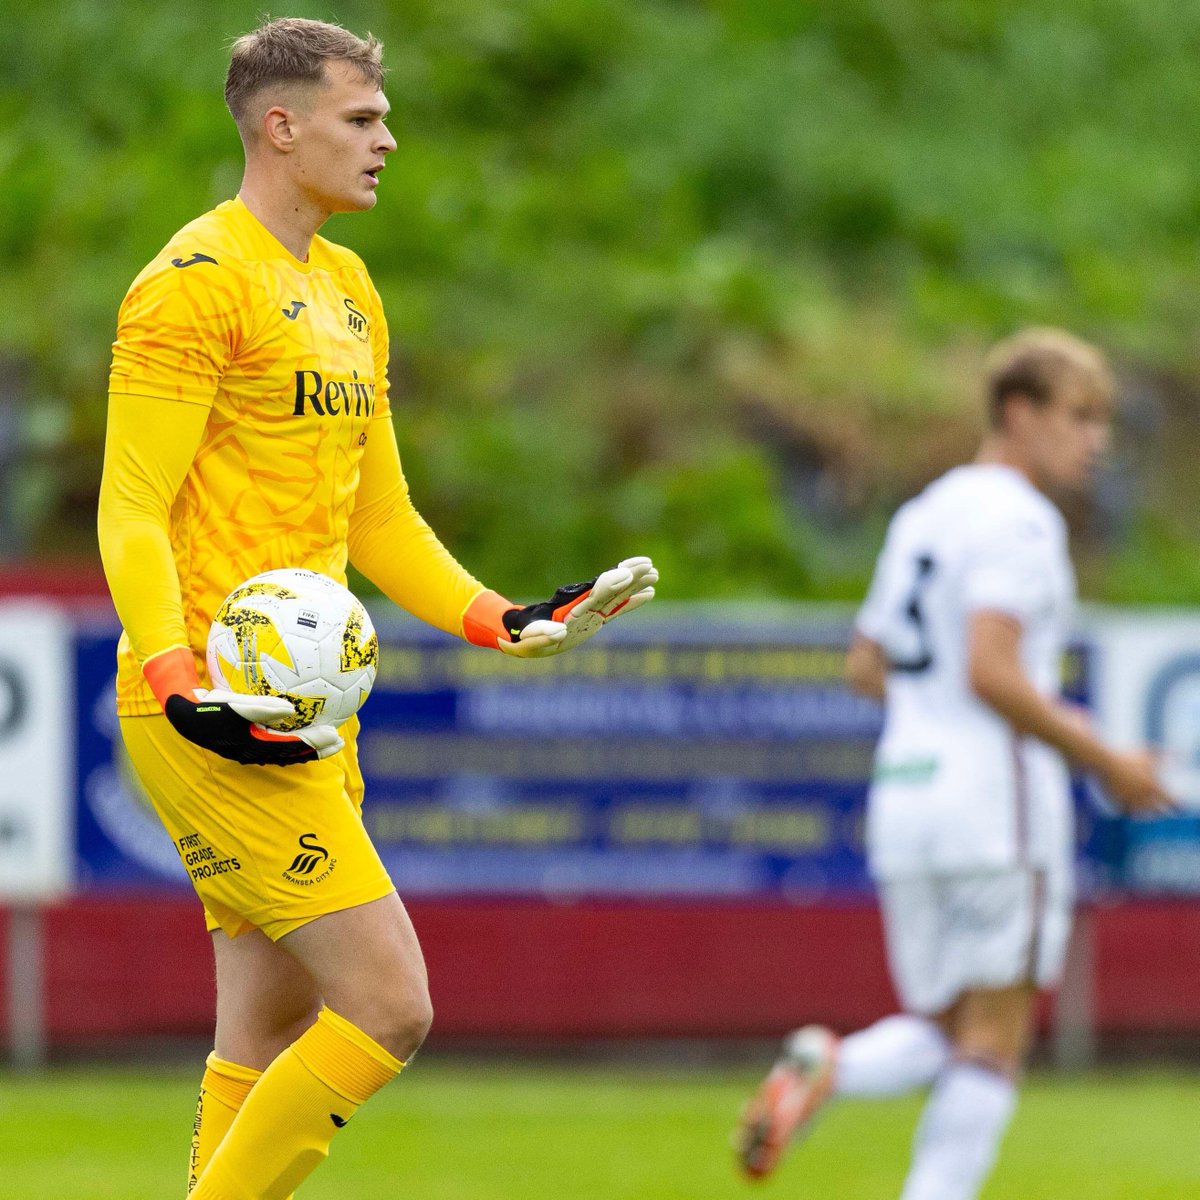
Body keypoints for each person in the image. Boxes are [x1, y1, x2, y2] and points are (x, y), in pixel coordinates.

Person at [97, 17, 657, 1199]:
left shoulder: (348, 286)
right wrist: (174, 676)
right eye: (363, 119)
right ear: (282, 126)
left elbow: (380, 521)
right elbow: (132, 508)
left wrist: (502, 618)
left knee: (261, 1028)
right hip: (212, 707)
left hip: (306, 711)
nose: (388, 140)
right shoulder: (190, 285)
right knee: (391, 1005)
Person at [734, 329, 1171, 1199]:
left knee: (945, 1025)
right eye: (1080, 416)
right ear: (1020, 411)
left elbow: (865, 663)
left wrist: (938, 722)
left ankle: (834, 1064)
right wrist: (1106, 758)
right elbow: (992, 666)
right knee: (993, 1043)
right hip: (993, 805)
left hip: (906, 795)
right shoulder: (1021, 520)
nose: (1097, 440)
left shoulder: (925, 512)